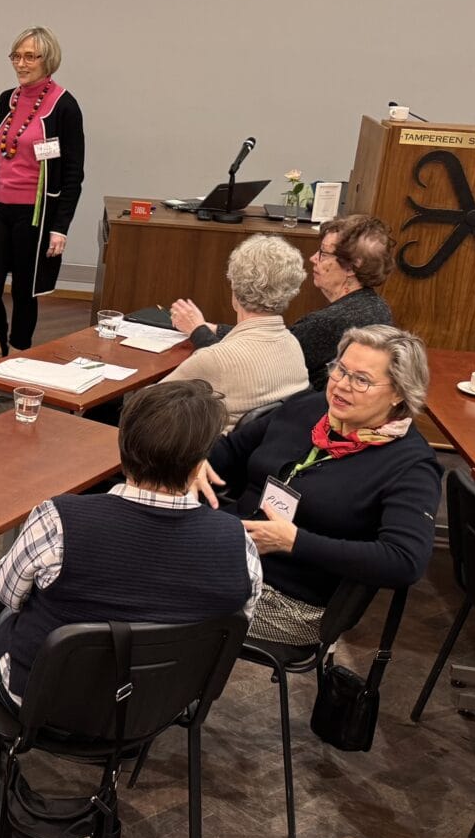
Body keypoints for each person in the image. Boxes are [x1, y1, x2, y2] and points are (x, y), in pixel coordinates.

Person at [0, 381, 260, 794]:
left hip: (44, 704)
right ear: (200, 461)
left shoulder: (60, 518)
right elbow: (231, 631)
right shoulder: (238, 544)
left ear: (122, 443)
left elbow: (5, 594)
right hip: (153, 712)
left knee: (7, 614)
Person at [195, 324, 440, 645]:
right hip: (229, 551)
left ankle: (164, 690)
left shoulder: (411, 466)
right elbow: (233, 449)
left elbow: (404, 562)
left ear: (398, 393)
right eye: (340, 370)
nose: (341, 386)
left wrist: (295, 541)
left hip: (290, 600)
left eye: (361, 380)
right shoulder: (310, 408)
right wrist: (199, 462)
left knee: (144, 584)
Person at [0, 27, 85, 361]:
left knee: (26, 293)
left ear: (49, 59)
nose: (21, 63)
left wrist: (61, 226)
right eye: (16, 55)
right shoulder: (7, 100)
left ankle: (17, 352)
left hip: (35, 216)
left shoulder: (64, 106)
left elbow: (73, 174)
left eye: (30, 56)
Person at [172, 214, 395, 389]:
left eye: (324, 254)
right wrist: (215, 328)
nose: (313, 259)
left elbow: (247, 367)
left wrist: (199, 331)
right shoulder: (376, 307)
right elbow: (274, 341)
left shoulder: (327, 322)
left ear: (351, 266)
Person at [161, 235, 310, 431]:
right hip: (267, 451)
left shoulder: (214, 359)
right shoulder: (292, 344)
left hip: (210, 456)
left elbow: (142, 407)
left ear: (234, 287)